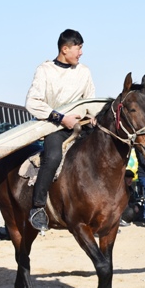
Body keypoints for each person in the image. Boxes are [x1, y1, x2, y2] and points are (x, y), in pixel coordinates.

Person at [25, 29, 96, 231]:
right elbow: (32, 102)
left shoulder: (84, 72)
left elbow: (90, 99)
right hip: (54, 126)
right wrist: (61, 118)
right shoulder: (45, 70)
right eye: (78, 48)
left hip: (81, 126)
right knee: (53, 157)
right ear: (65, 49)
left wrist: (92, 115)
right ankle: (37, 207)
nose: (81, 53)